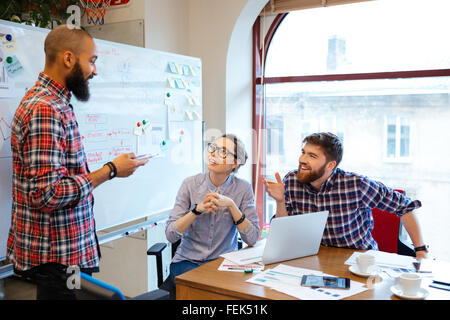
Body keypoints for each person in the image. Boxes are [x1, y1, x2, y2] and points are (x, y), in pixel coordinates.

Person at [6, 25, 148, 300]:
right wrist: (110, 170)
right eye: (92, 60)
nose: (95, 70)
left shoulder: (57, 103)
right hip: (56, 258)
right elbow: (47, 194)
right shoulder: (45, 109)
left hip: (64, 252)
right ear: (68, 59)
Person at [263, 132, 429, 260]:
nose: (302, 159)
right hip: (315, 258)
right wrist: (280, 201)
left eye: (312, 156)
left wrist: (420, 252)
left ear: (331, 165)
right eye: (303, 152)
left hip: (359, 261)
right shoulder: (292, 180)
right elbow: (284, 232)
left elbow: (405, 206)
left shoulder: (357, 185)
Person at [165, 134, 260, 288]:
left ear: (235, 163)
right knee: (203, 291)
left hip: (223, 262)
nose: (213, 154)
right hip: (187, 261)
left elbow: (252, 238)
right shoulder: (190, 184)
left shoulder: (243, 188)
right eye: (212, 148)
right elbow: (170, 234)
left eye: (222, 151)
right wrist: (195, 211)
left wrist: (232, 205)